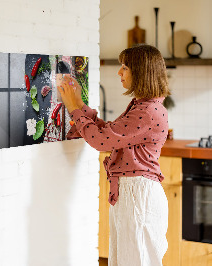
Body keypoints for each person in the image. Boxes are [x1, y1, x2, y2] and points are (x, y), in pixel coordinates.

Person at [58, 44, 170, 266]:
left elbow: (101, 141)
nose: (119, 72)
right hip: (133, 193)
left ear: (141, 72)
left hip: (138, 195)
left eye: (125, 67)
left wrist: (73, 108)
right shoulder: (143, 106)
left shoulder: (147, 111)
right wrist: (79, 104)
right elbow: (109, 133)